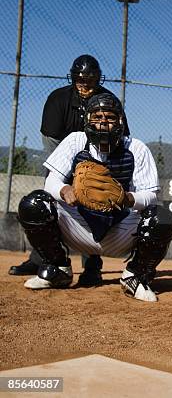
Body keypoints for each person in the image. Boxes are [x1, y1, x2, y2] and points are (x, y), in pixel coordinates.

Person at [17, 92, 172, 302]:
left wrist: (126, 198)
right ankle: (58, 268)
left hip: (119, 230)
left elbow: (151, 196)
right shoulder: (75, 141)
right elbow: (51, 182)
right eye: (97, 117)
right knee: (34, 203)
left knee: (164, 216)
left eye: (110, 118)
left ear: (120, 121)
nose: (103, 123)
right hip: (78, 226)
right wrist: (66, 191)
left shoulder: (136, 148)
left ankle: (135, 276)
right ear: (87, 120)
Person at [9, 55, 129, 287]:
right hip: (62, 159)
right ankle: (43, 259)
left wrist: (90, 174)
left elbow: (119, 138)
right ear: (73, 77)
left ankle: (92, 267)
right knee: (44, 202)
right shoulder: (58, 99)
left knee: (93, 198)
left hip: (97, 160)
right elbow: (51, 145)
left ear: (98, 78)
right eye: (80, 78)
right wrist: (66, 178)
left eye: (91, 78)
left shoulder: (108, 100)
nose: (85, 83)